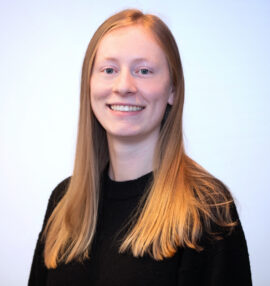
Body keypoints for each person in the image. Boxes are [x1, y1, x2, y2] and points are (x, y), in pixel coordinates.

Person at [28, 9, 252, 286]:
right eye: (109, 70)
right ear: (89, 84)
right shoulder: (63, 201)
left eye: (143, 71)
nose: (123, 86)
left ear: (173, 90)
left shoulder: (206, 209)